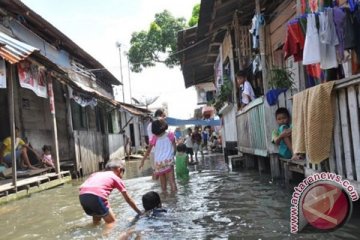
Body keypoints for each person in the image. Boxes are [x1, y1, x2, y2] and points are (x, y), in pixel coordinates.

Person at [79, 159, 142, 226]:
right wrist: (139, 212)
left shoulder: (95, 174)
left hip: (82, 196)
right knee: (112, 222)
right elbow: (128, 199)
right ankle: (106, 236)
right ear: (120, 170)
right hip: (97, 196)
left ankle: (95, 230)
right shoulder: (116, 177)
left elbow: (81, 187)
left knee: (97, 220)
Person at [139, 119, 177, 193]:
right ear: (163, 126)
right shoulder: (170, 135)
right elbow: (174, 148)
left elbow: (148, 151)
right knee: (172, 182)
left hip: (158, 163)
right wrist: (173, 155)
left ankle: (164, 197)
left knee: (163, 184)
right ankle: (175, 200)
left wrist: (142, 161)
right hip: (168, 161)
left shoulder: (154, 138)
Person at [147, 109, 167, 180]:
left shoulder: (149, 125)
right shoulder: (158, 124)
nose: (164, 117)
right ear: (160, 115)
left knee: (155, 170)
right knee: (162, 171)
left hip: (152, 150)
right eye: (163, 116)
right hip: (158, 150)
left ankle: (154, 185)